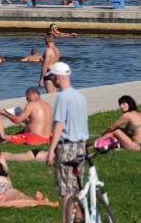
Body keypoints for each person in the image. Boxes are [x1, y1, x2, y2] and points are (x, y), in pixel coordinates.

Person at [45, 62, 89, 223]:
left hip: (67, 146)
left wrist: (51, 151)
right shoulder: (80, 96)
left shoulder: (63, 97)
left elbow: (60, 124)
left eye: (52, 78)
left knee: (67, 192)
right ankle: (80, 219)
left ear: (57, 77)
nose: (51, 81)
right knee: (77, 188)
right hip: (81, 146)